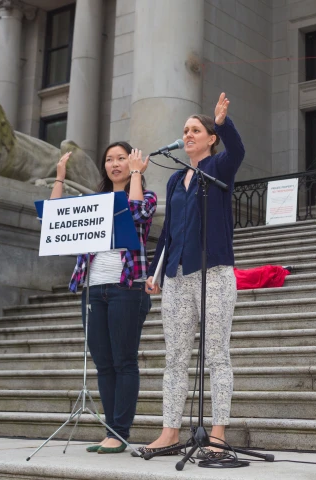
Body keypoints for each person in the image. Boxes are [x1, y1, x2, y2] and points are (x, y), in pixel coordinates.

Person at [140, 93, 243, 459]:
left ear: (210, 137)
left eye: (195, 129)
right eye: (185, 130)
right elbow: (168, 232)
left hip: (214, 272)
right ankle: (169, 431)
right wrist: (155, 272)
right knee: (175, 358)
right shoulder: (175, 180)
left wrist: (223, 122)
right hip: (176, 276)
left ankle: (217, 431)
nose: (188, 135)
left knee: (217, 354)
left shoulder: (218, 169)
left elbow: (238, 153)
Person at [50, 142, 157, 454]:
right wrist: (59, 177)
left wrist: (136, 174)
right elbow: (56, 221)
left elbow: (136, 213)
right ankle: (111, 430)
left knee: (124, 361)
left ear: (132, 163)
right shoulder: (94, 201)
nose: (115, 164)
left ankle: (119, 432)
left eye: (121, 159)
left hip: (126, 287)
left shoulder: (146, 197)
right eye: (109, 159)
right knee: (104, 363)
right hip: (93, 289)